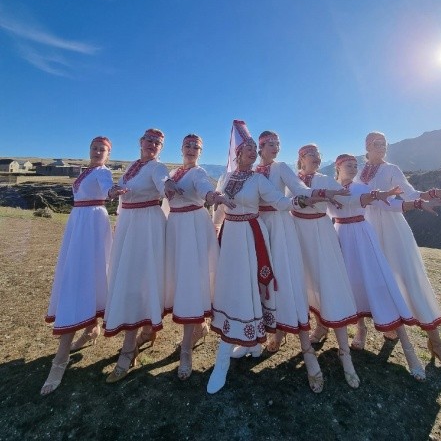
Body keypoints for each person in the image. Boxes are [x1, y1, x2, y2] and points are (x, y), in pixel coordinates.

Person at [207, 120, 319, 395]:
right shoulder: (226, 178)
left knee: (251, 286)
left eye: (253, 148)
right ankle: (252, 344)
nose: (251, 152)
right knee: (232, 286)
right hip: (230, 237)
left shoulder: (259, 179)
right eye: (247, 148)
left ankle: (224, 359)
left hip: (253, 235)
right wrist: (213, 227)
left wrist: (303, 199)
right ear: (237, 153)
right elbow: (219, 208)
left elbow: (281, 200)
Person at [254, 131, 349, 392]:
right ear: (260, 146)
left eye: (278, 144)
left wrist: (321, 193)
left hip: (280, 227)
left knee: (287, 281)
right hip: (258, 228)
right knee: (264, 282)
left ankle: (307, 352)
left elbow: (300, 190)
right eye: (270, 144)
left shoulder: (281, 167)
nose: (275, 147)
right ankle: (274, 332)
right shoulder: (252, 170)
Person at [353, 131, 441, 371]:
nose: (382, 147)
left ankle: (436, 343)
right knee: (375, 279)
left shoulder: (391, 169)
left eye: (384, 143)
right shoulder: (359, 171)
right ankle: (388, 326)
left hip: (392, 229)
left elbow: (411, 194)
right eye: (377, 143)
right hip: (367, 230)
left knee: (408, 278)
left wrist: (433, 194)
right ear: (367, 146)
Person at [331, 154, 427, 381]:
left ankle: (410, 352)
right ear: (338, 167)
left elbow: (389, 204)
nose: (353, 168)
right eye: (348, 165)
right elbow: (321, 212)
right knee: (352, 284)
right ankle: (361, 330)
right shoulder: (330, 189)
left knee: (380, 283)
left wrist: (416, 203)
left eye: (355, 165)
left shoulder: (361, 187)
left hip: (362, 236)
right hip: (341, 236)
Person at [41, 136, 117, 395]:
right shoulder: (87, 171)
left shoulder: (104, 172)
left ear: (108, 154)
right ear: (89, 150)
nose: (98, 152)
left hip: (92, 224)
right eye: (95, 148)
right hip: (79, 223)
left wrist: (113, 192)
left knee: (82, 276)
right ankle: (91, 328)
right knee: (84, 274)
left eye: (102, 149)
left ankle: (60, 360)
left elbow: (108, 188)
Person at [164, 134, 235, 380]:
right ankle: (199, 328)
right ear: (181, 148)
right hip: (175, 227)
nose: (192, 149)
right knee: (181, 280)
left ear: (201, 152)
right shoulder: (173, 173)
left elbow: (204, 188)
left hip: (193, 227)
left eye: (197, 147)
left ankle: (186, 349)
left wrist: (213, 197)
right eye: (188, 145)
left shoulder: (199, 172)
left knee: (190, 282)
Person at [103, 128, 170, 383]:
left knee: (137, 280)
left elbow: (164, 184)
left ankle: (128, 349)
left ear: (161, 148)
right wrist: (115, 201)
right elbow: (123, 195)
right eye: (149, 140)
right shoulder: (132, 166)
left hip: (147, 226)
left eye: (157, 143)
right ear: (140, 142)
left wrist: (170, 187)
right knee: (131, 278)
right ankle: (148, 329)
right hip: (128, 225)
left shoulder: (158, 168)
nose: (152, 144)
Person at [292, 144, 361, 388]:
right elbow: (283, 200)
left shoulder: (325, 179)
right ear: (301, 158)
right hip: (296, 233)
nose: (317, 158)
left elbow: (347, 197)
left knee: (329, 283)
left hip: (321, 233)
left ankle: (345, 353)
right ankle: (311, 345)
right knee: (303, 285)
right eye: (312, 154)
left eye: (319, 155)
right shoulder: (292, 179)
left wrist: (373, 196)